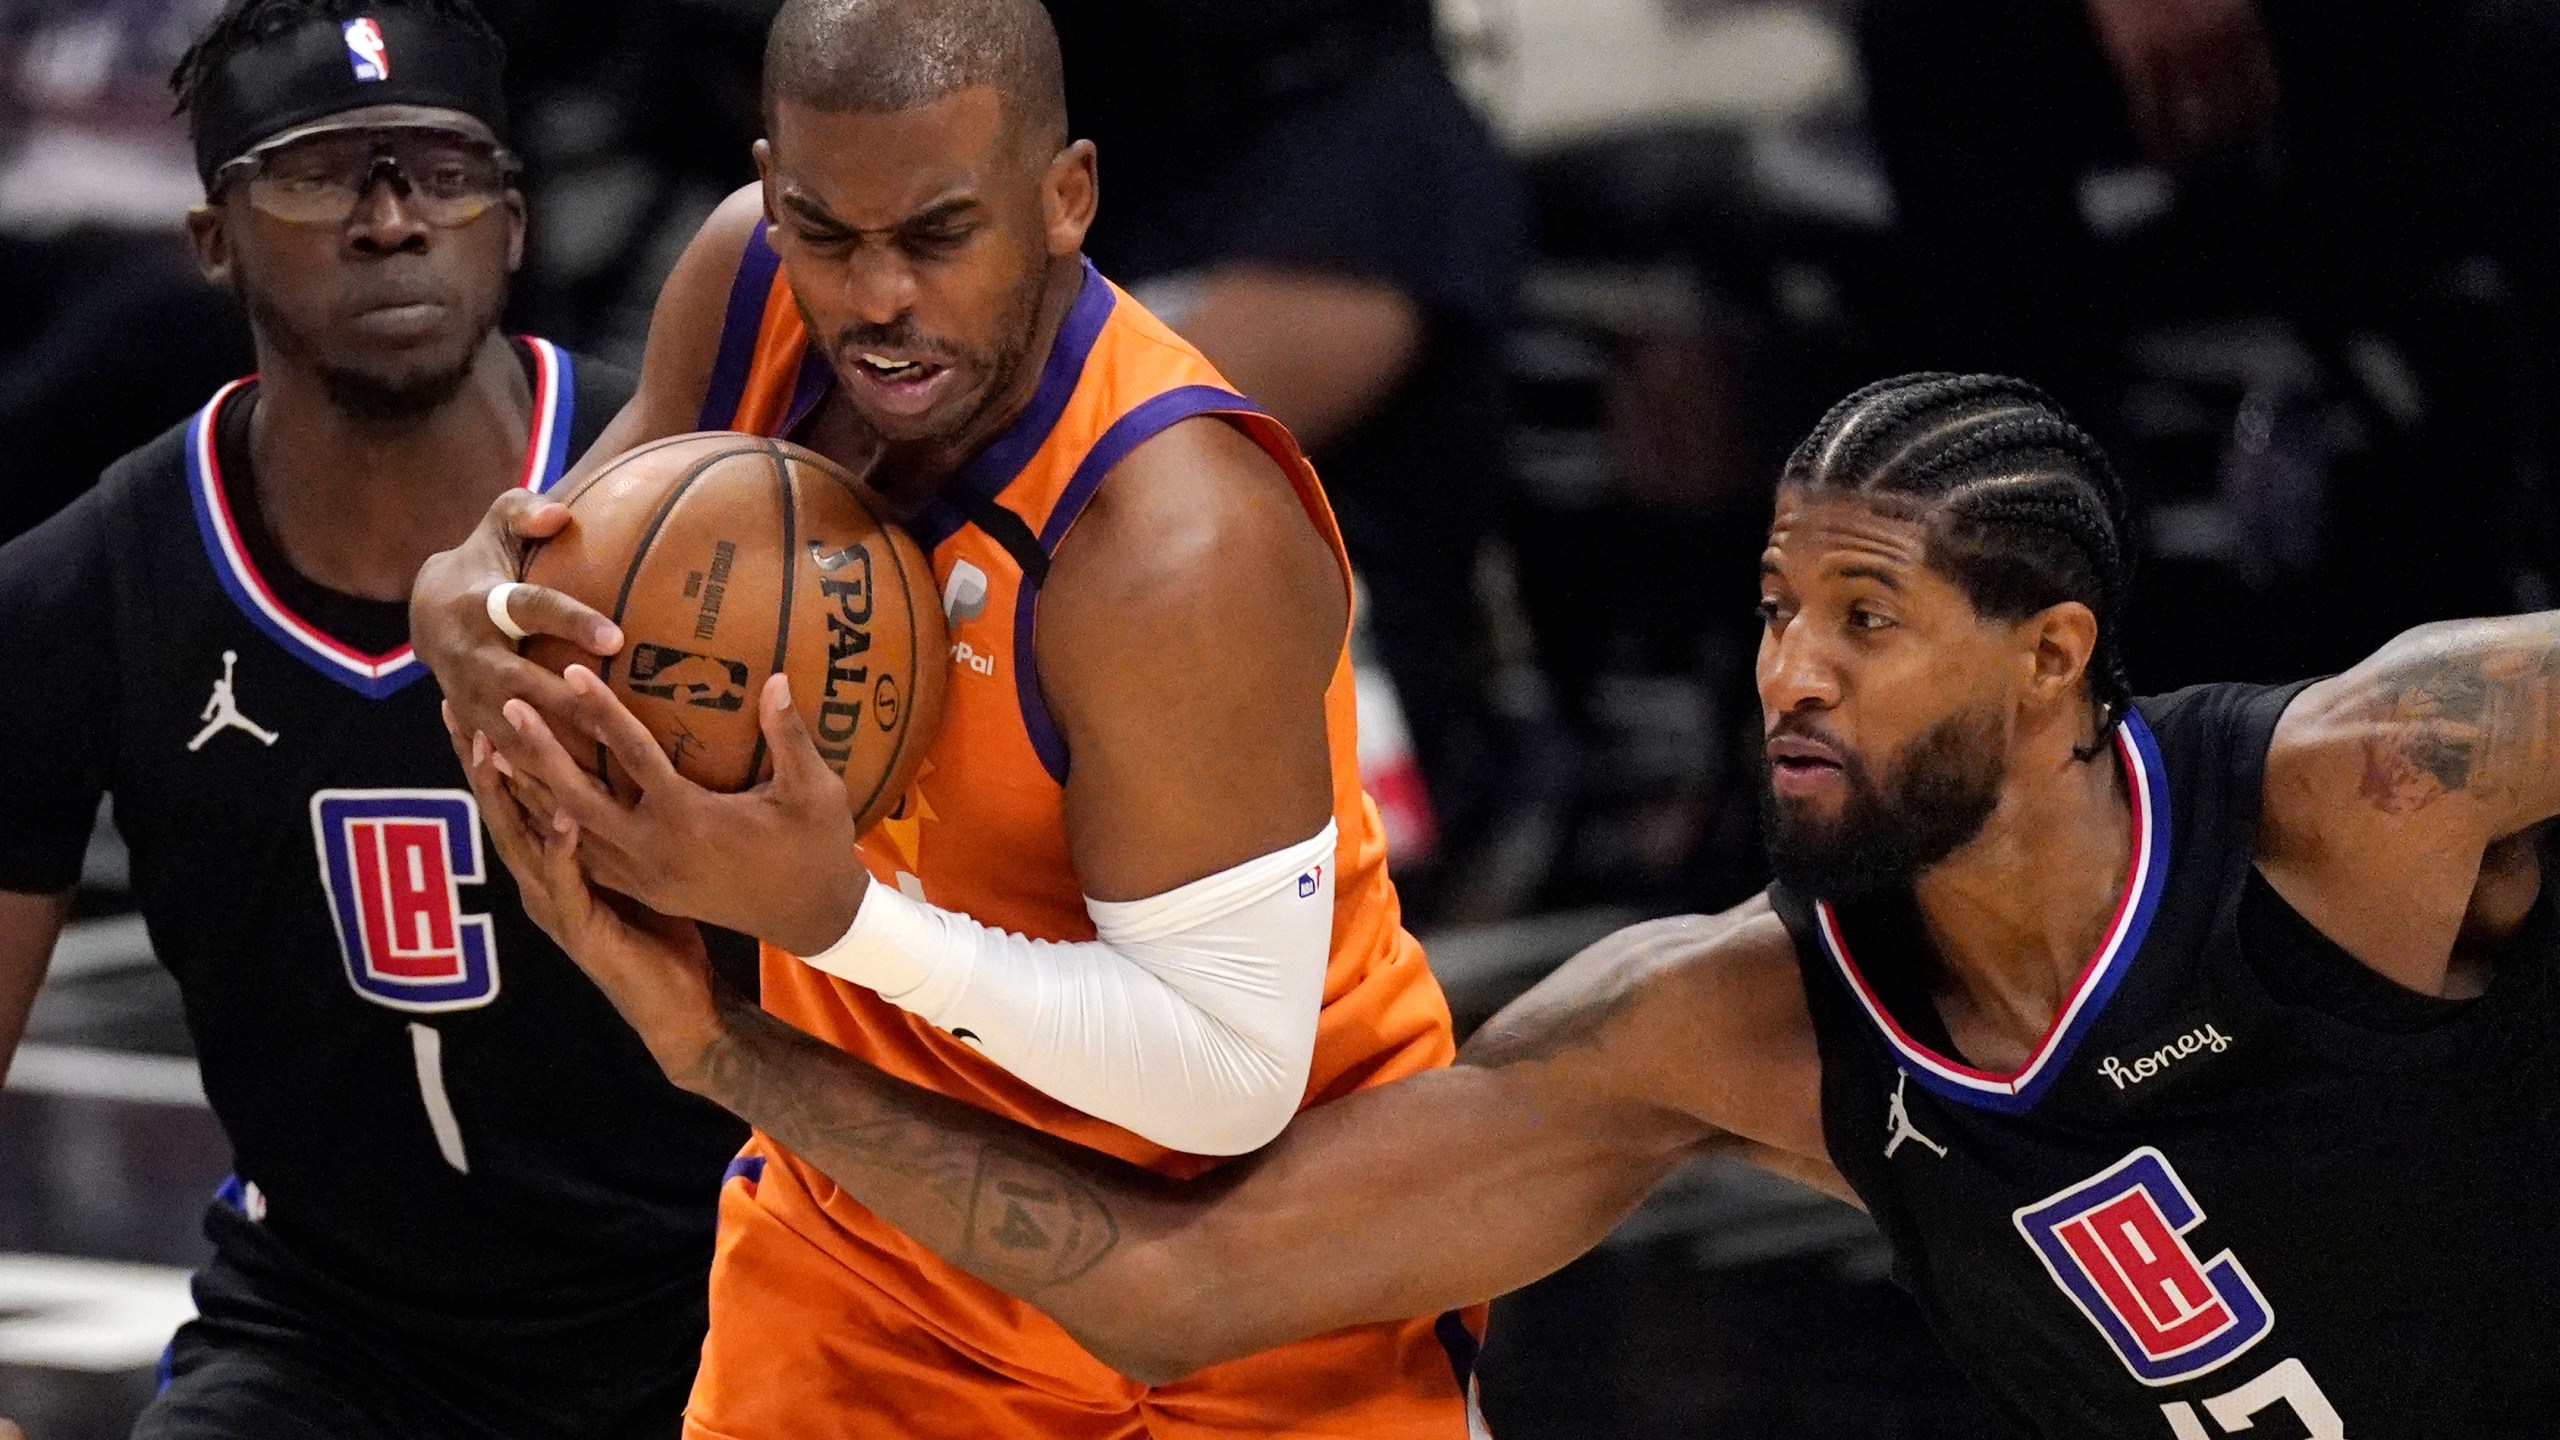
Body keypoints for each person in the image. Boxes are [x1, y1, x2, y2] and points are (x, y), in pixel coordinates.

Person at [479, 371, 2560, 1437]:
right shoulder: (1726, 1026)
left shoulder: (2370, 786)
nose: (1786, 676)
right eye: (1768, 614)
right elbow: (1166, 1287)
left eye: (1864, 618)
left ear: (2049, 659)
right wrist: (717, 1038)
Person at [411, 0, 1479, 1435]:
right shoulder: (748, 284)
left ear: (1064, 198)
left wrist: (834, 918)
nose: (874, 301)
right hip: (875, 1236)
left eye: (936, 236)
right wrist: (469, 614)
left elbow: (1228, 1077)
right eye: (828, 231)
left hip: (1244, 1291)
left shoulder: (1171, 539)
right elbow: (570, 586)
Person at [0, 3, 748, 1437]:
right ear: (210, 239)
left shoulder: (706, 535)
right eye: (319, 173)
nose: (391, 219)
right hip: (333, 1339)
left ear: (514, 224)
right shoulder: (87, 591)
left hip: (731, 1302)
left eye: (440, 171)